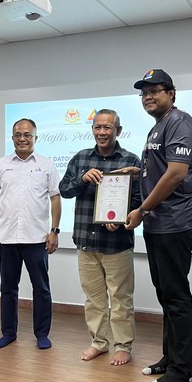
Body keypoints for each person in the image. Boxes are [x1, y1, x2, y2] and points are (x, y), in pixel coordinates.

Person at [123, 69, 192, 382]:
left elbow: (176, 173)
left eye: (155, 91)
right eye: (144, 93)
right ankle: (170, 358)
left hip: (176, 221)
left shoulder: (179, 122)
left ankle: (181, 370)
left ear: (171, 93)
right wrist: (140, 172)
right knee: (166, 294)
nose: (148, 97)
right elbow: (161, 169)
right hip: (160, 224)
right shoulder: (159, 125)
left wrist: (142, 209)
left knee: (176, 295)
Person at [59, 109, 141, 366]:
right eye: (98, 127)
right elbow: (64, 189)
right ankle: (99, 342)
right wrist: (82, 179)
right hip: (86, 241)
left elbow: (140, 200)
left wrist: (121, 218)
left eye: (107, 127)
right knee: (93, 299)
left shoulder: (131, 160)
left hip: (117, 243)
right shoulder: (81, 158)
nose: (102, 132)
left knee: (121, 299)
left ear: (118, 130)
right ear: (92, 129)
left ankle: (123, 345)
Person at [0, 118, 61, 350]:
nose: (22, 139)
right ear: (12, 138)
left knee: (41, 288)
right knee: (8, 289)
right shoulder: (1, 165)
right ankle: (8, 333)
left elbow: (55, 199)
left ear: (35, 138)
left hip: (36, 238)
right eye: (18, 135)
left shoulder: (47, 165)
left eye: (27, 135)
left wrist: (54, 231)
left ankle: (42, 334)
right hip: (7, 238)